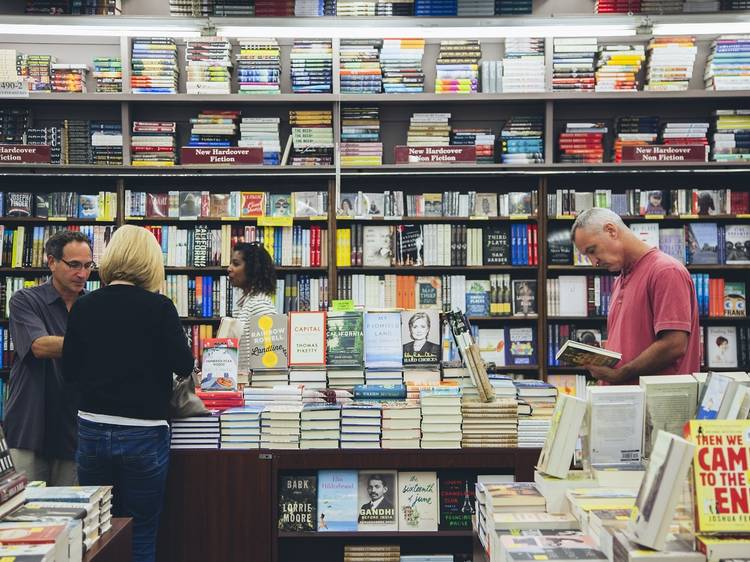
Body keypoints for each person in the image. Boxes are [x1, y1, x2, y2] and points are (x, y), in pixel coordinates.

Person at [62, 225, 194, 562]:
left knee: (96, 530)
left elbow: (70, 372)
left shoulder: (85, 306)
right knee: (142, 530)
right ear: (151, 261)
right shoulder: (160, 307)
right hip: (145, 432)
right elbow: (183, 363)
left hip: (92, 427)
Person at [570, 208, 700, 384]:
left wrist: (620, 374)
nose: (594, 262)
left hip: (657, 406)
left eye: (592, 250)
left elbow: (674, 345)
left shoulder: (666, 271)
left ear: (611, 231)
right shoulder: (620, 280)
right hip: (627, 403)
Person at [6, 230, 94, 486]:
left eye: (88, 266)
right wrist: (101, 345)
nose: (82, 274)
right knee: (23, 514)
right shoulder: (25, 300)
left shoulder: (92, 305)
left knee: (73, 516)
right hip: (29, 424)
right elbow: (40, 346)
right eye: (74, 265)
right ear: (52, 262)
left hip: (74, 427)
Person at [227, 242, 277, 375]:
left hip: (254, 390)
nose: (229, 268)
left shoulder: (260, 305)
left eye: (236, 264)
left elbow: (268, 358)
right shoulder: (246, 303)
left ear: (252, 269)